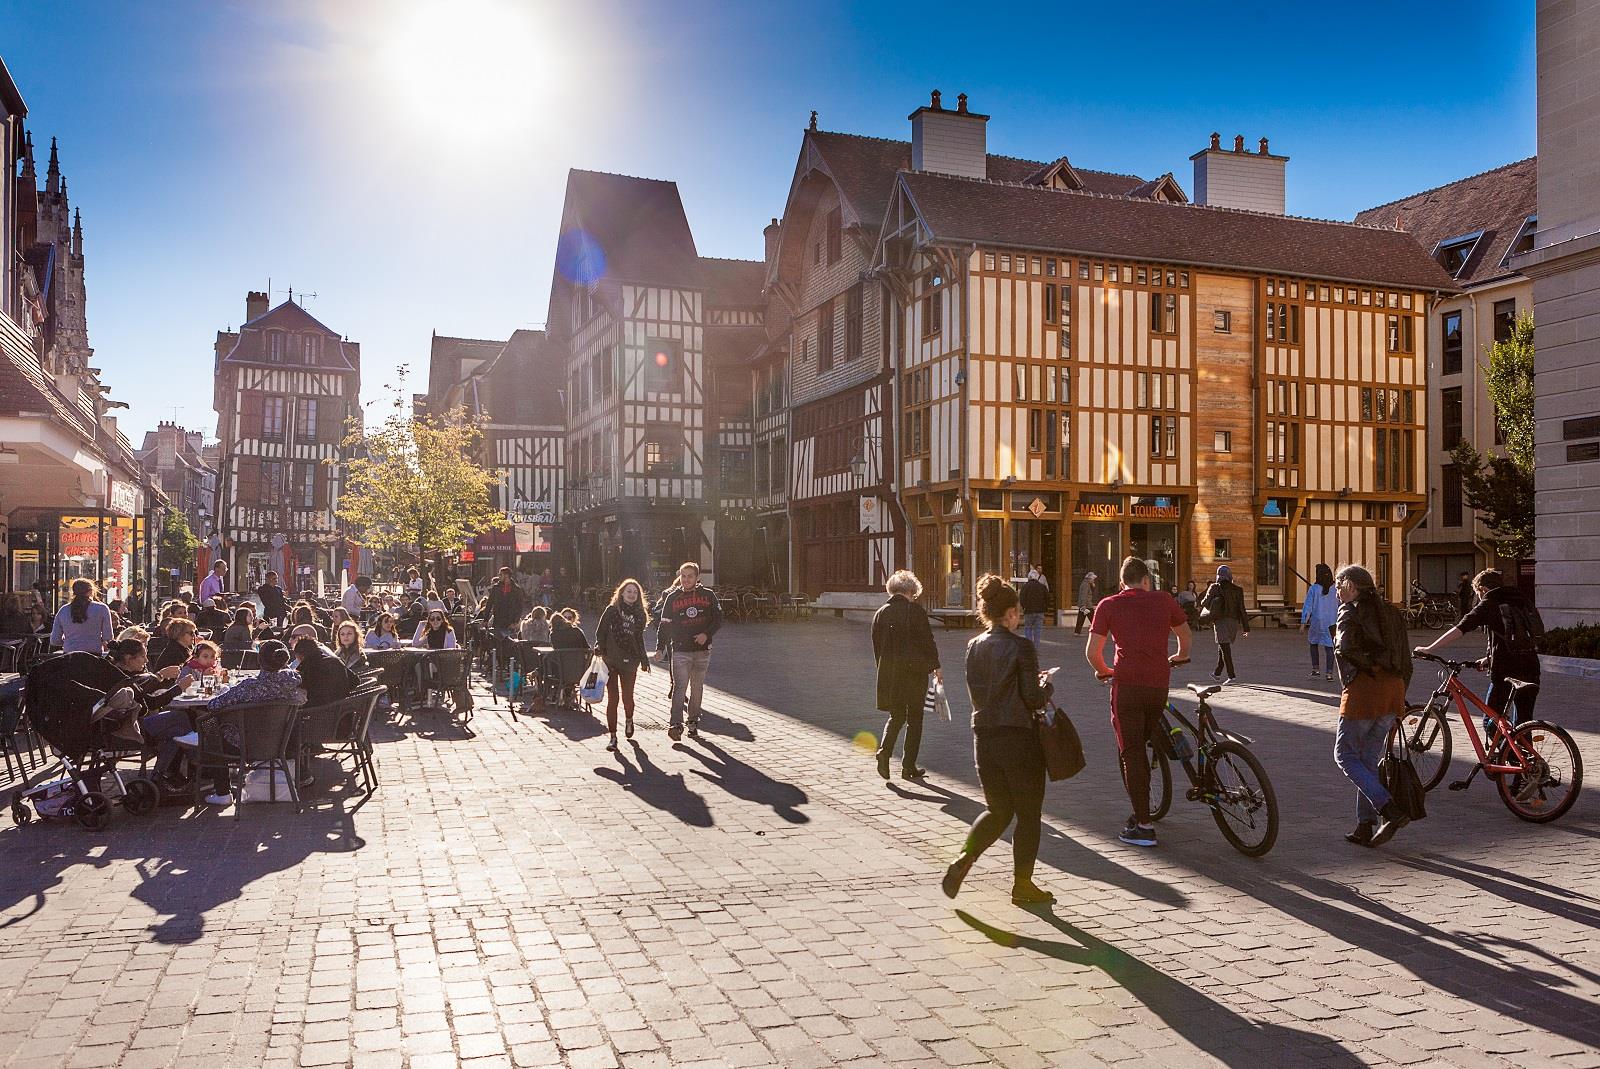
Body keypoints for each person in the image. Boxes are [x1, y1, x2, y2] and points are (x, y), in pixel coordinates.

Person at [941, 575, 1055, 906]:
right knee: (1029, 815)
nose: (1019, 617)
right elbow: (1033, 699)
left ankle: (964, 859)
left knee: (998, 810)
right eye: (1017, 612)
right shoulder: (1022, 646)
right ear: (1008, 614)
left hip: (984, 736)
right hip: (1019, 738)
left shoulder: (973, 645)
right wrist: (1046, 685)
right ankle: (1022, 884)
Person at [1085, 556, 1192, 848]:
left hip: (1127, 687)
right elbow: (1185, 635)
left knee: (1131, 753)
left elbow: (1093, 651)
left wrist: (1104, 671)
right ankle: (1165, 748)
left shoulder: (1109, 604)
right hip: (1159, 685)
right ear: (1147, 580)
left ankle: (1144, 825)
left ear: (1122, 583)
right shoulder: (1163, 600)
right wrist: (1179, 657)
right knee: (1147, 730)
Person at [1332, 564, 1411, 847]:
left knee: (1345, 756)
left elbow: (1344, 648)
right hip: (1393, 690)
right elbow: (1405, 655)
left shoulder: (1350, 610)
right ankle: (1364, 825)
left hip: (1366, 690)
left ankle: (1388, 807)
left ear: (1351, 586)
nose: (1337, 591)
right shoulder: (1391, 611)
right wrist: (1400, 694)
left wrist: (1369, 669)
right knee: (1366, 760)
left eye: (1339, 585)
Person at [1416, 568, 1544, 735]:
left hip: (1506, 670)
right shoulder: (1521, 599)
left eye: (1478, 593)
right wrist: (1488, 658)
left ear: (1483, 589)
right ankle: (1522, 759)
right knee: (1523, 723)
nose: (1478, 597)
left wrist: (1429, 648)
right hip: (1531, 666)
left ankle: (1508, 755)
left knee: (1491, 721)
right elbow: (1517, 636)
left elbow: (1461, 628)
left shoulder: (1489, 602)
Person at [196, 640, 307, 807]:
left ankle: (222, 791)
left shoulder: (249, 687)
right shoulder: (293, 683)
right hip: (282, 743)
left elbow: (213, 705)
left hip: (245, 744)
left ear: (259, 661)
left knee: (209, 724)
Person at [871, 570, 941, 781]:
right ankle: (908, 766)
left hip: (890, 673)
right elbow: (927, 641)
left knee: (897, 716)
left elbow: (877, 648)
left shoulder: (880, 613)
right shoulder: (915, 611)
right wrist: (935, 666)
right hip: (914, 672)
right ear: (911, 591)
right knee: (915, 719)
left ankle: (884, 751)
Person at [660, 562, 723, 741]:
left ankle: (693, 722)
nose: (686, 579)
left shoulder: (708, 595)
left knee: (697, 688)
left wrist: (706, 634)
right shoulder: (672, 597)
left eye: (690, 576)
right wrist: (660, 647)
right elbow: (664, 626)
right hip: (680, 650)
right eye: (683, 576)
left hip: (702, 651)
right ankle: (675, 724)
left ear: (697, 578)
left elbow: (718, 619)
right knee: (680, 687)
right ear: (680, 577)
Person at [596, 579, 651, 750]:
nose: (632, 595)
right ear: (621, 593)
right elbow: (600, 632)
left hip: (630, 660)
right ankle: (613, 737)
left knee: (628, 697)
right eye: (629, 591)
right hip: (611, 660)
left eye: (635, 592)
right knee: (613, 699)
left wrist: (644, 659)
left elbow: (638, 638)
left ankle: (629, 719)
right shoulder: (612, 610)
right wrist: (602, 649)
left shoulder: (640, 614)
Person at [1202, 565, 1249, 683]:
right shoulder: (1238, 590)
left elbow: (1204, 603)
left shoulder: (1214, 587)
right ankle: (1217, 673)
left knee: (1225, 649)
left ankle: (1231, 675)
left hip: (1220, 621)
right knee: (1223, 646)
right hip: (1233, 623)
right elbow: (1242, 609)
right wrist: (1246, 627)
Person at [50, 578, 116, 654]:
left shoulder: (63, 610)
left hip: (70, 655)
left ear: (73, 592)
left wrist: (70, 640)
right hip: (93, 655)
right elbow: (108, 638)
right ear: (91, 591)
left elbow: (54, 640)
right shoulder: (102, 608)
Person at [293, 636, 359, 709]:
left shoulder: (305, 670)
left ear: (301, 656)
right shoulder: (335, 661)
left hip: (315, 713)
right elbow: (355, 680)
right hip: (342, 711)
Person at [1300, 563, 1339, 680]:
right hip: (1332, 621)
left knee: (1313, 643)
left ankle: (1316, 669)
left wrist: (1303, 623)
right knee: (1329, 647)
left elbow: (1308, 606)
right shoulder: (1335, 588)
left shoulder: (1314, 589)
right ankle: (1329, 673)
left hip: (1317, 621)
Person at [480, 567, 525, 633]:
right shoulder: (496, 588)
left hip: (510, 623)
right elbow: (489, 604)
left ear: (506, 576)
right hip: (498, 621)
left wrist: (515, 622)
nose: (499, 576)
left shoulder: (517, 590)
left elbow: (520, 607)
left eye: (500, 575)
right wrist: (485, 619)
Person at [1020, 567, 1049, 650]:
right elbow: (1047, 598)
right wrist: (1045, 607)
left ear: (1029, 577)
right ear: (1037, 577)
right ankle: (1036, 648)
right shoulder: (1042, 587)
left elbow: (1022, 598)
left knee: (1028, 628)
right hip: (1040, 611)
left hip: (1028, 611)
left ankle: (1029, 647)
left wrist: (1024, 607)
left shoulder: (1025, 587)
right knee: (1038, 630)